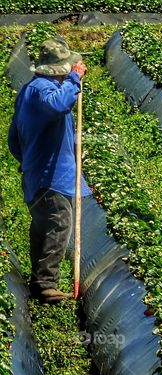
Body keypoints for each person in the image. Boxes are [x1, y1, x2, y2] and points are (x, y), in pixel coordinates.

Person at [8, 37, 90, 303]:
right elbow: (58, 104)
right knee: (58, 223)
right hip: (49, 174)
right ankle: (46, 283)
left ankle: (41, 280)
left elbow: (13, 137)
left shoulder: (29, 90)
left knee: (43, 225)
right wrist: (75, 79)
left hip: (39, 172)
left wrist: (27, 159)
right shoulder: (45, 91)